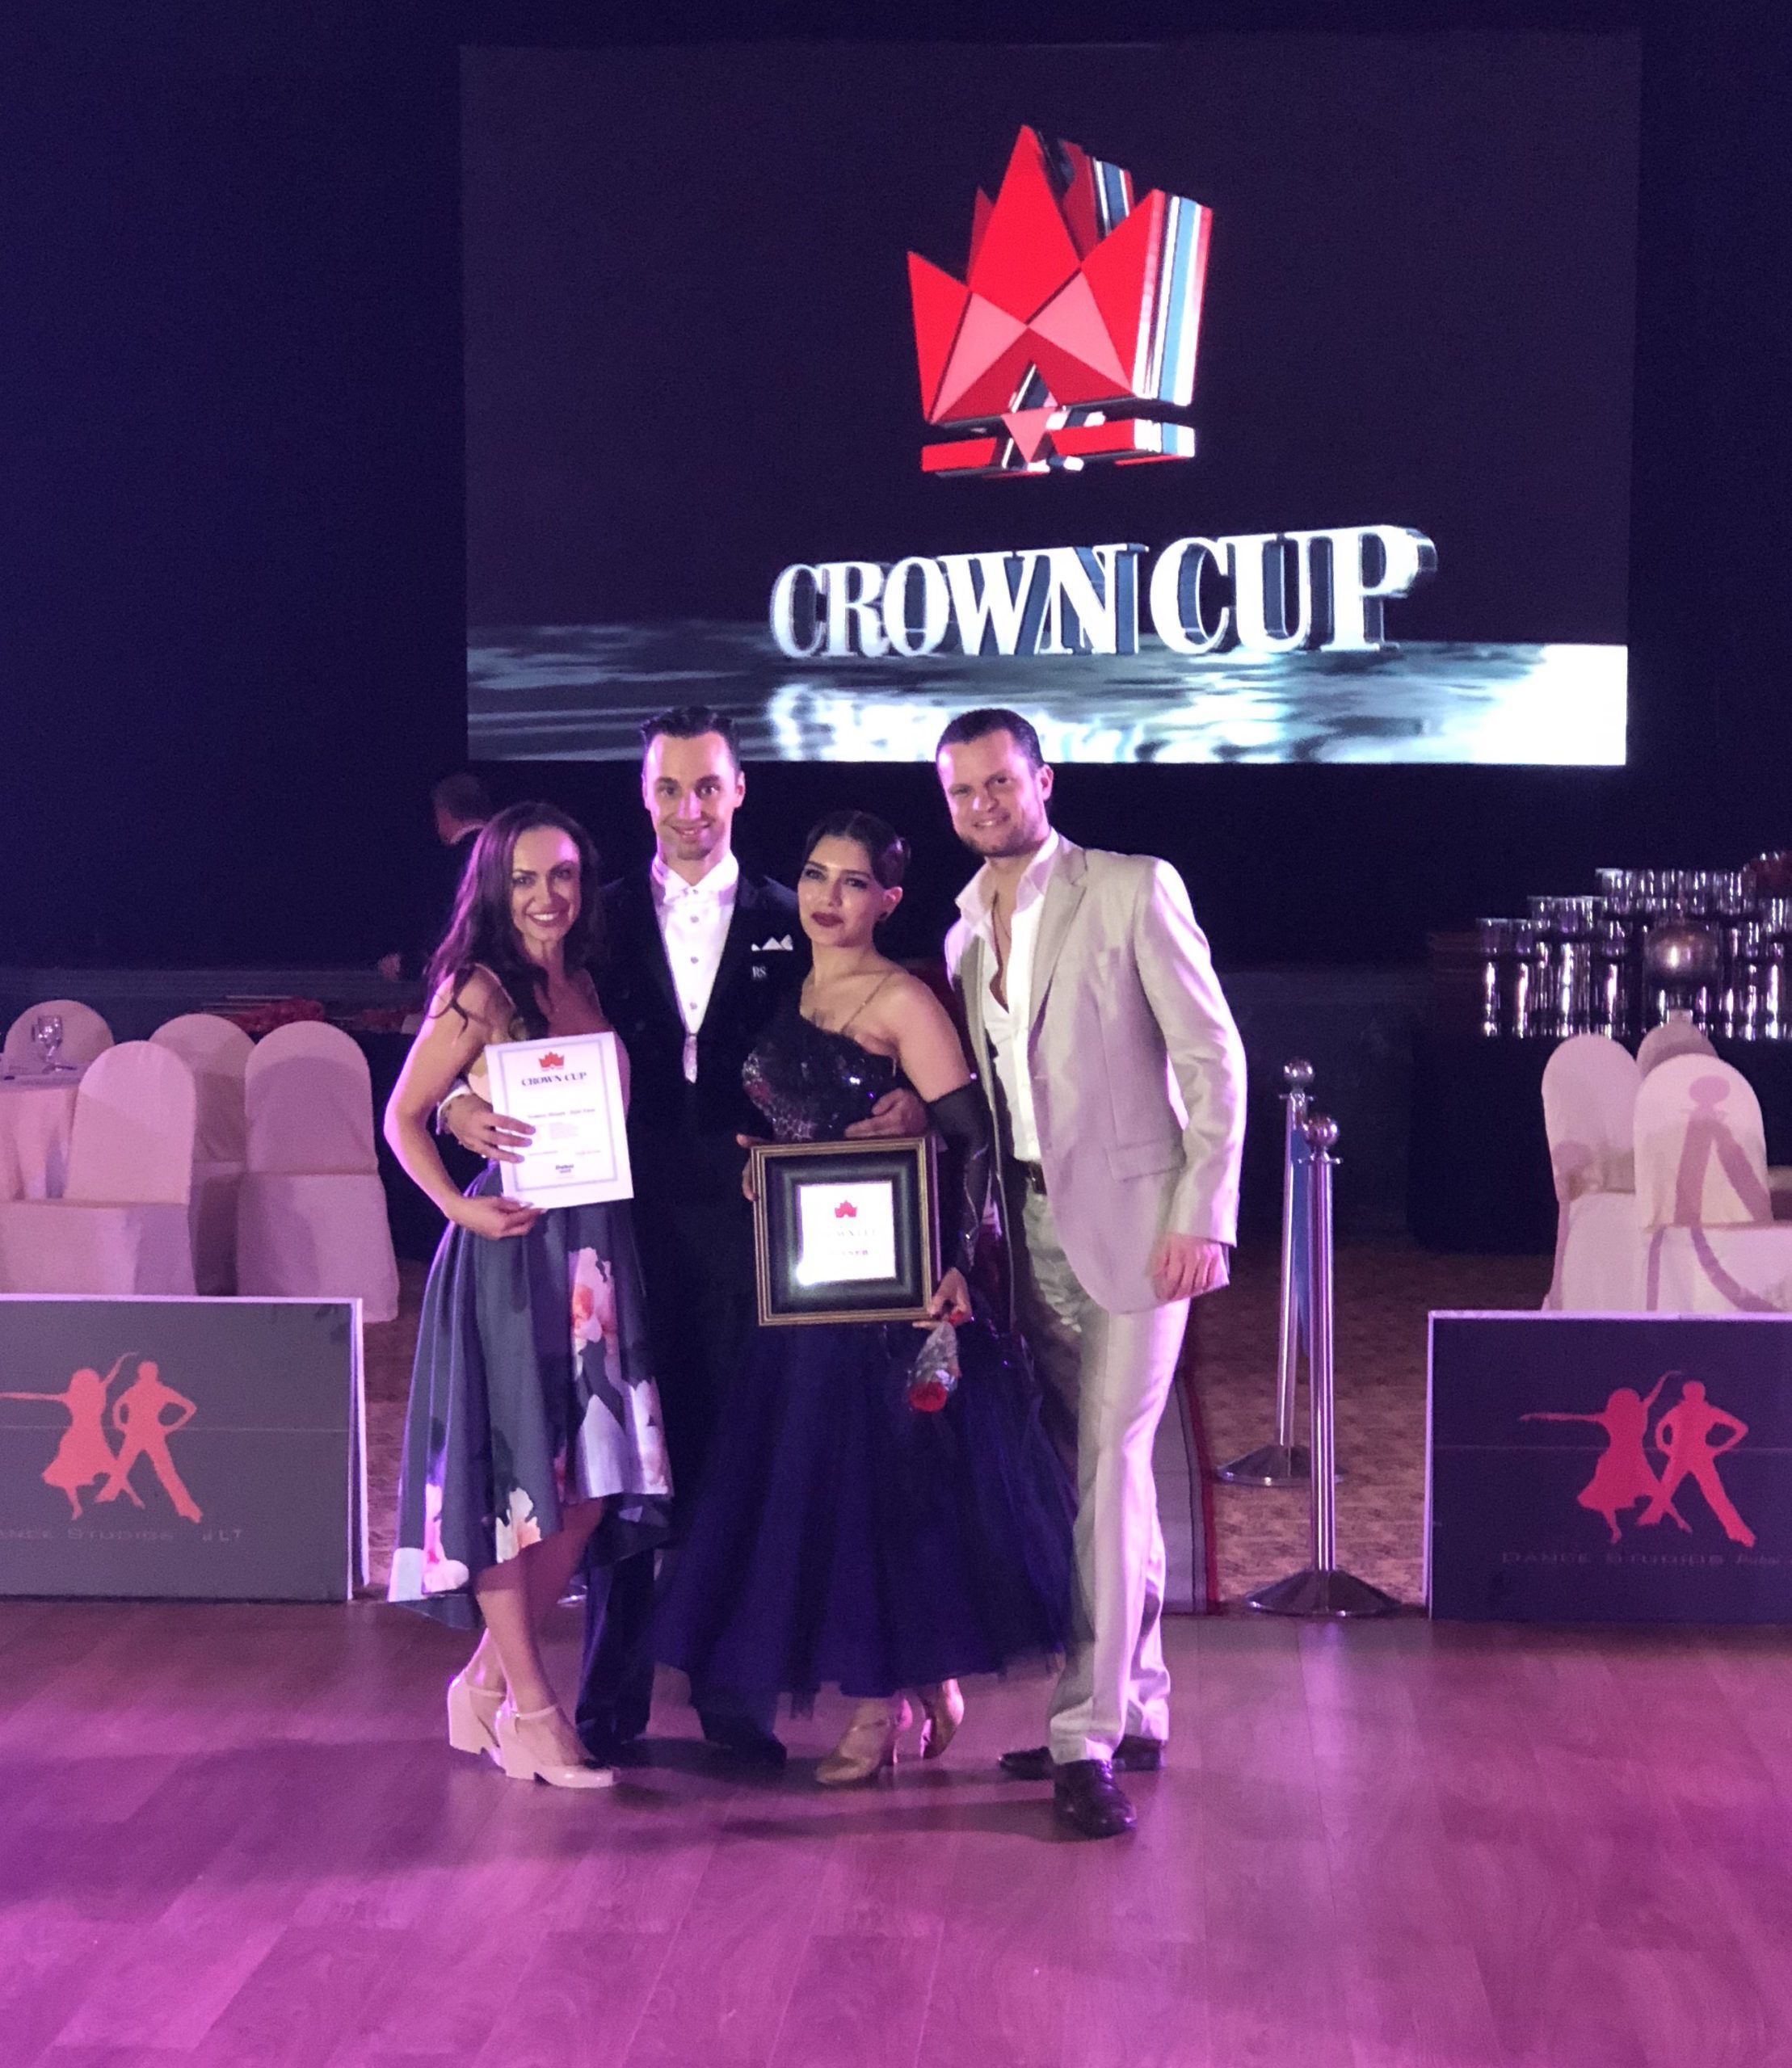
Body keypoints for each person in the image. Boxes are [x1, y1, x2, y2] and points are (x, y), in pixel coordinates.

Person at [441, 710, 923, 1766]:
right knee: (616, 1460)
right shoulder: (593, 917)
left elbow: (861, 1029)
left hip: (758, 1224)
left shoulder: (794, 915)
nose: (689, 809)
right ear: (643, 794)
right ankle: (606, 1698)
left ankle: (732, 1698)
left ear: (739, 790)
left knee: (733, 1456)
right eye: (669, 788)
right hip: (613, 1222)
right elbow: (492, 1034)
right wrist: (456, 1108)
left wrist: (904, 1103)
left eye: (708, 787)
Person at [654, 811, 1074, 1781]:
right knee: (831, 1501)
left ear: (889, 899)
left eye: (852, 882)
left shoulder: (903, 1001)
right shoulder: (787, 987)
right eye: (814, 875)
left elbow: (972, 1139)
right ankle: (921, 1682)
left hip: (891, 1297)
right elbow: (787, 1123)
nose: (827, 897)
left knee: (882, 1499)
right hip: (803, 1293)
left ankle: (876, 1708)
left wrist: (959, 1262)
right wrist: (764, 1164)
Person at [936, 708, 1247, 1840]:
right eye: (962, 791)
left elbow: (1214, 1060)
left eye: (999, 782)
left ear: (1043, 780)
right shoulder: (963, 933)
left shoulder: (1129, 888)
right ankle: (1139, 1703)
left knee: (1109, 1469)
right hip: (1029, 1230)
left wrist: (1202, 1214)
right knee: (1100, 1479)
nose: (984, 804)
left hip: (1139, 1227)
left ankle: (1084, 1737)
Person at [385, 801, 672, 1791]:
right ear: (493, 887)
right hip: (512, 1255)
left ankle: (483, 1682)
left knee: (588, 1489)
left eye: (562, 874)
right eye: (523, 878)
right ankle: (535, 1713)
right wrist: (456, 1210)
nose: (546, 895)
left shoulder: (582, 977)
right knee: (518, 1488)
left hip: (594, 1258)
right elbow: (404, 1116)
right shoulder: (479, 987)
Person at [378, 773, 493, 982]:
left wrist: (407, 965)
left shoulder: (442, 866)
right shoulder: (515, 856)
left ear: (443, 814)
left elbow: (441, 933)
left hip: (461, 982)